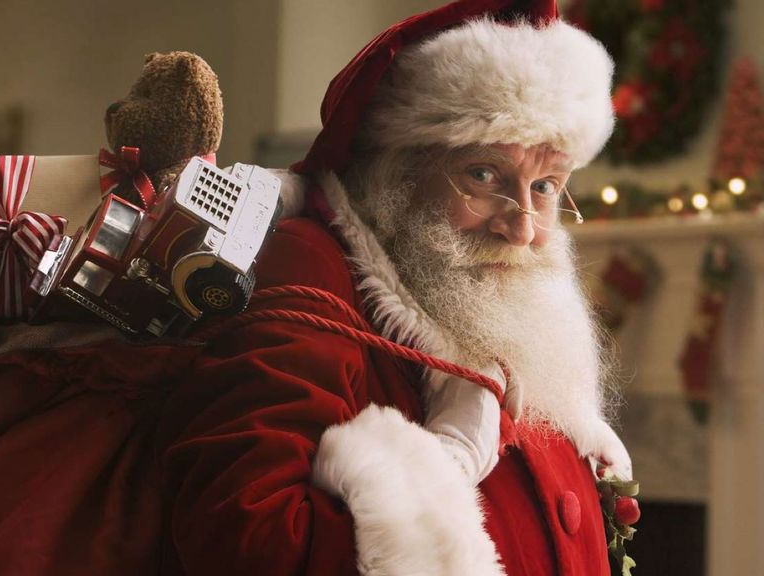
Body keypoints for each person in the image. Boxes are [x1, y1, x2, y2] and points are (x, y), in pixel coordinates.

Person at [154, 0, 634, 574]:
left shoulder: (500, 297)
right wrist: (438, 469)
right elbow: (248, 535)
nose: (523, 227)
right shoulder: (312, 267)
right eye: (484, 174)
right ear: (397, 175)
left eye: (547, 185)